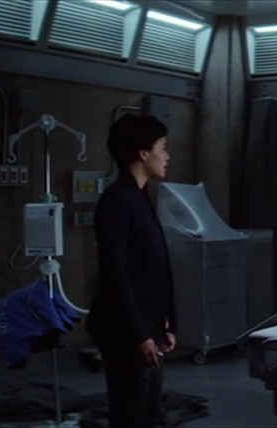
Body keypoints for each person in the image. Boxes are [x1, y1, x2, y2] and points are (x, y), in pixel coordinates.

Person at [86, 114, 177, 428]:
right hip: (125, 329)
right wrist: (139, 334)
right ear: (143, 153)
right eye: (162, 148)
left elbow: (152, 268)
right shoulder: (118, 201)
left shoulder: (140, 197)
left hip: (146, 325)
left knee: (150, 410)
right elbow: (116, 272)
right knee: (131, 412)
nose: (167, 156)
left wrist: (165, 322)